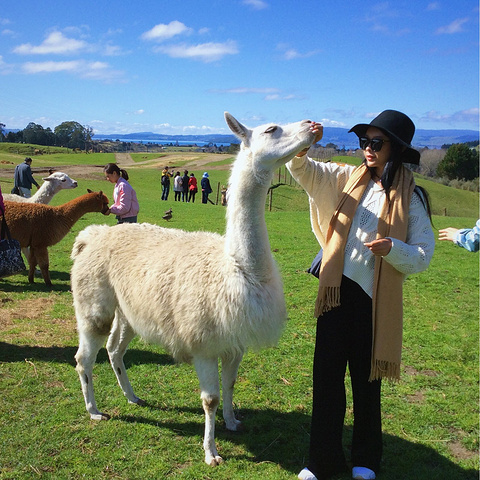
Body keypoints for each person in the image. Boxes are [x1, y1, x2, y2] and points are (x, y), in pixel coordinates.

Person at [288, 110, 435, 480]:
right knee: (326, 382)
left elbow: (422, 255)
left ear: (396, 149)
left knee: (367, 385)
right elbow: (304, 171)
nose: (367, 149)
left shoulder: (412, 199)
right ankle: (320, 462)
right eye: (364, 142)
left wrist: (393, 249)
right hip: (335, 295)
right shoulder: (345, 177)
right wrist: (305, 144)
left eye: (376, 143)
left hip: (373, 302)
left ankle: (366, 461)